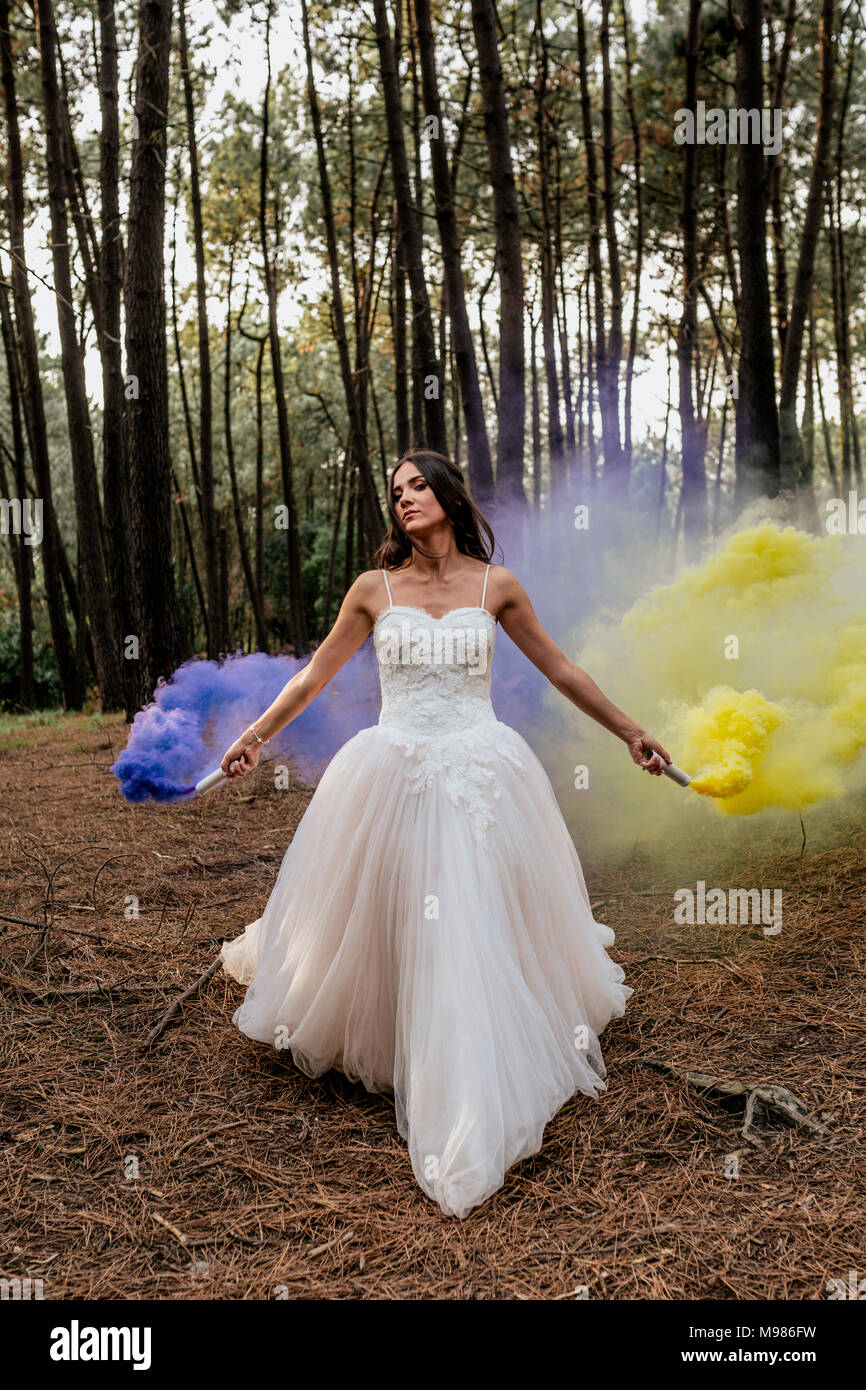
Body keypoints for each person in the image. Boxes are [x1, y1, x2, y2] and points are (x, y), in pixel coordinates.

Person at [218, 450, 671, 1219]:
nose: (404, 499)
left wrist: (629, 731)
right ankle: (400, 1035)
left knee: (466, 911)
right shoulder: (373, 590)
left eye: (418, 485)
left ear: (450, 495)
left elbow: (559, 669)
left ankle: (469, 1068)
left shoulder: (497, 587)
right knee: (398, 906)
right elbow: (313, 676)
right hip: (390, 765)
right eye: (394, 491)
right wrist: (256, 735)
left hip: (483, 770)